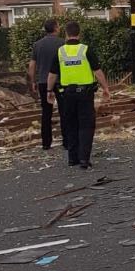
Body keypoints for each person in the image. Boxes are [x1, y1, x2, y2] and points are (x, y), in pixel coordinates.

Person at [46, 21, 110, 169]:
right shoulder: (86, 50)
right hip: (85, 94)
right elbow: (97, 71)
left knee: (70, 124)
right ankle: (84, 159)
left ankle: (72, 158)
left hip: (67, 94)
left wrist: (49, 91)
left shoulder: (60, 52)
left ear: (66, 34)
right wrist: (105, 88)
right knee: (86, 125)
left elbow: (52, 74)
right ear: (79, 33)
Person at [27, 19, 65, 150]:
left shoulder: (37, 45)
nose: (59, 28)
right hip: (61, 82)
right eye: (58, 26)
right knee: (64, 111)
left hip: (43, 82)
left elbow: (32, 65)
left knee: (46, 112)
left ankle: (46, 143)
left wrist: (33, 81)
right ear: (55, 28)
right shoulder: (62, 43)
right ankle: (67, 141)